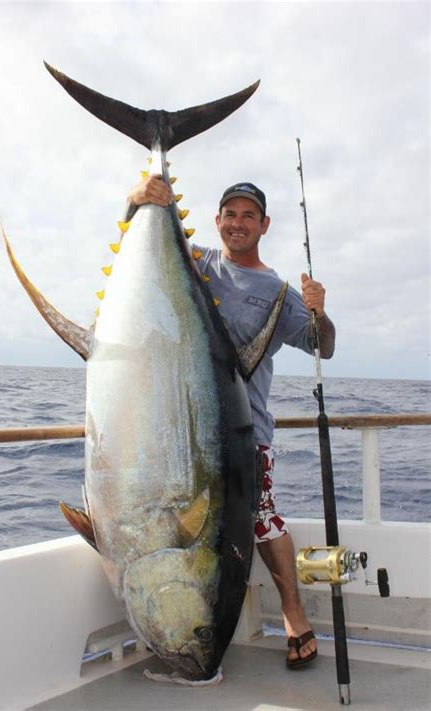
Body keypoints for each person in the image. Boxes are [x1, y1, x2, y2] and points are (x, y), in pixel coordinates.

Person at [127, 175, 336, 668]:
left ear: (264, 225)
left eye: (248, 216)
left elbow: (322, 345)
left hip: (245, 431)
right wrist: (136, 200)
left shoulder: (279, 291)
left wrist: (319, 313)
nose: (237, 223)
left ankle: (292, 614)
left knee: (262, 520)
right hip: (181, 429)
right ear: (217, 220)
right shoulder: (194, 261)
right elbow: (140, 239)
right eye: (229, 214)